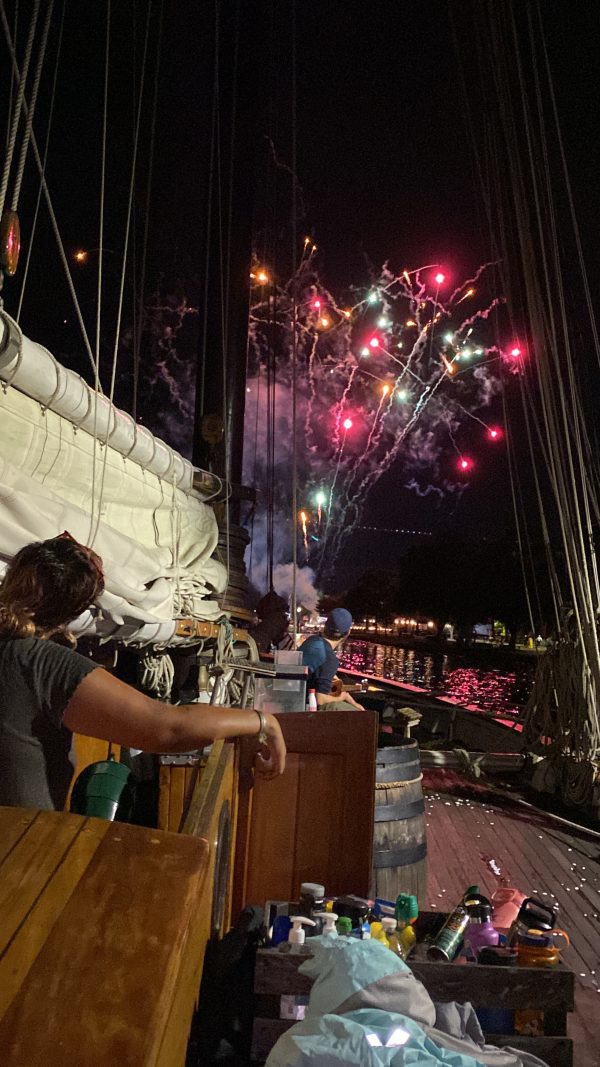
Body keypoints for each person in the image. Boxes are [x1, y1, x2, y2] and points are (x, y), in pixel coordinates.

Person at [0, 535, 286, 811]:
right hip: (21, 841)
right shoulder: (36, 662)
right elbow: (168, 728)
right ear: (75, 610)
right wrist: (264, 722)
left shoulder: (14, 653)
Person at [300, 608, 364, 710]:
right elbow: (320, 699)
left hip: (293, 693)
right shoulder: (329, 659)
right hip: (304, 706)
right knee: (358, 714)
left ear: (325, 627)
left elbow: (325, 673)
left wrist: (351, 701)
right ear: (347, 633)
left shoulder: (311, 640)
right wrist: (342, 697)